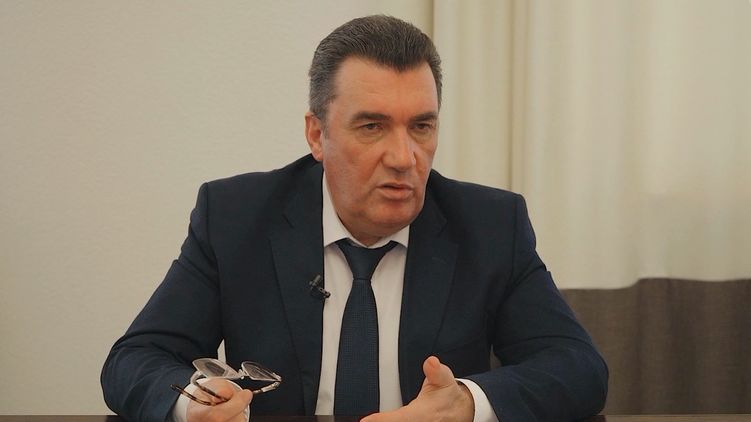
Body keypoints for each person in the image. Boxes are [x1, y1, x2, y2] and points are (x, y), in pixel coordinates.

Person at [101, 15, 607, 422]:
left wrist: (466, 403)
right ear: (317, 135)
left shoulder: (491, 224)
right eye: (372, 126)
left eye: (421, 126)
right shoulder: (235, 217)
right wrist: (194, 405)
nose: (404, 157)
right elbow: (136, 359)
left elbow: (578, 367)